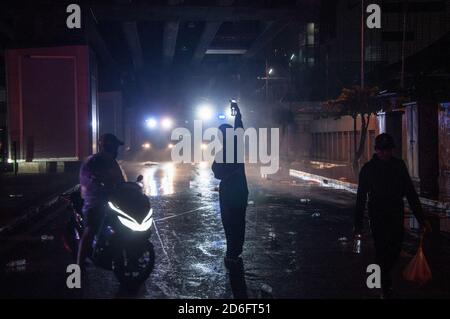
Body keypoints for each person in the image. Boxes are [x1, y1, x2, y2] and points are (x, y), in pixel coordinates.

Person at [353, 133, 431, 298]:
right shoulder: (368, 169)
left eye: (388, 150)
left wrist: (421, 219)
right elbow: (360, 198)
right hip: (378, 215)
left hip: (396, 214)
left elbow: (410, 193)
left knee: (395, 248)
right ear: (377, 150)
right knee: (382, 249)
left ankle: (382, 279)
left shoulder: (398, 166)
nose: (386, 154)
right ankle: (383, 286)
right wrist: (357, 225)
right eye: (383, 150)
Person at [77, 133, 126, 266]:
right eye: (116, 146)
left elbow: (120, 181)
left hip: (107, 201)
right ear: (109, 146)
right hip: (94, 202)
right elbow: (94, 179)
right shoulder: (96, 160)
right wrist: (105, 184)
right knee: (90, 229)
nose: (117, 150)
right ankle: (79, 265)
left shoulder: (110, 160)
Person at [212, 102, 249, 269]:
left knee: (230, 224)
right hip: (240, 192)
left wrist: (237, 115)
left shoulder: (225, 151)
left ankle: (232, 253)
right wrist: (237, 114)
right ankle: (235, 252)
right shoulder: (237, 146)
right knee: (238, 223)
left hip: (229, 194)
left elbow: (216, 171)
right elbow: (239, 127)